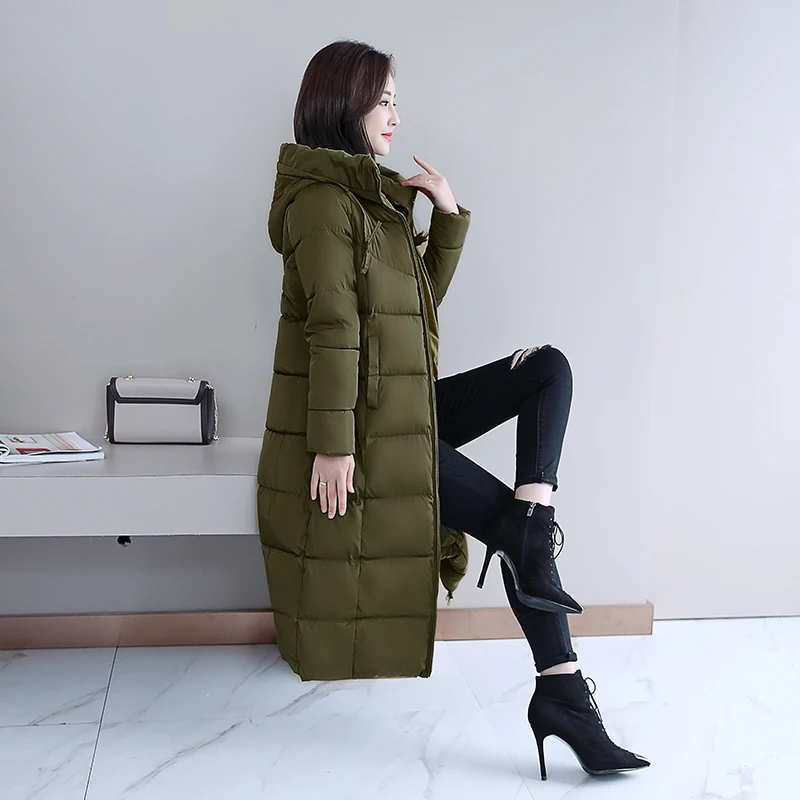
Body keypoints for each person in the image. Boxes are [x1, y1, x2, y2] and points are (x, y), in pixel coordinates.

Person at [257, 38, 650, 780]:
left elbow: (414, 313)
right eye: (384, 100)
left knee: (548, 370)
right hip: (365, 427)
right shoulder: (320, 203)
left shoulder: (371, 198)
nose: (395, 115)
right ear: (344, 103)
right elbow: (333, 328)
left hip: (398, 403)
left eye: (395, 100)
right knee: (515, 534)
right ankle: (563, 692)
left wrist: (447, 217)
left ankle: (534, 519)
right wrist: (335, 444)